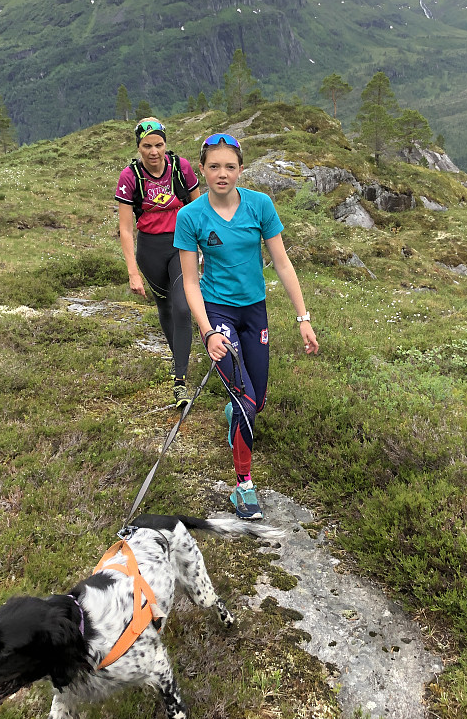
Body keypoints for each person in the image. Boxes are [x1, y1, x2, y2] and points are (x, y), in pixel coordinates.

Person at [175, 132, 319, 520]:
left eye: (231, 166)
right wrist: (207, 333)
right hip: (218, 314)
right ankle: (243, 486)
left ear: (241, 169)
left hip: (255, 312)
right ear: (201, 169)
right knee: (246, 400)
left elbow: (283, 263)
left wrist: (303, 318)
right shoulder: (190, 217)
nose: (223, 174)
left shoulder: (260, 205)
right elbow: (190, 281)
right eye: (214, 166)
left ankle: (235, 416)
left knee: (259, 400)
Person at [116, 118, 200, 408]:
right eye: (147, 146)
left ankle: (180, 382)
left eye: (159, 145)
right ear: (138, 146)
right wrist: (133, 273)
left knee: (182, 307)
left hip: (181, 246)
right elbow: (126, 229)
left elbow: (197, 207)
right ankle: (179, 360)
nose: (153, 152)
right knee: (164, 307)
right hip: (149, 251)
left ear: (166, 144)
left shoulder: (181, 168)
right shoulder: (130, 177)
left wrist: (205, 248)